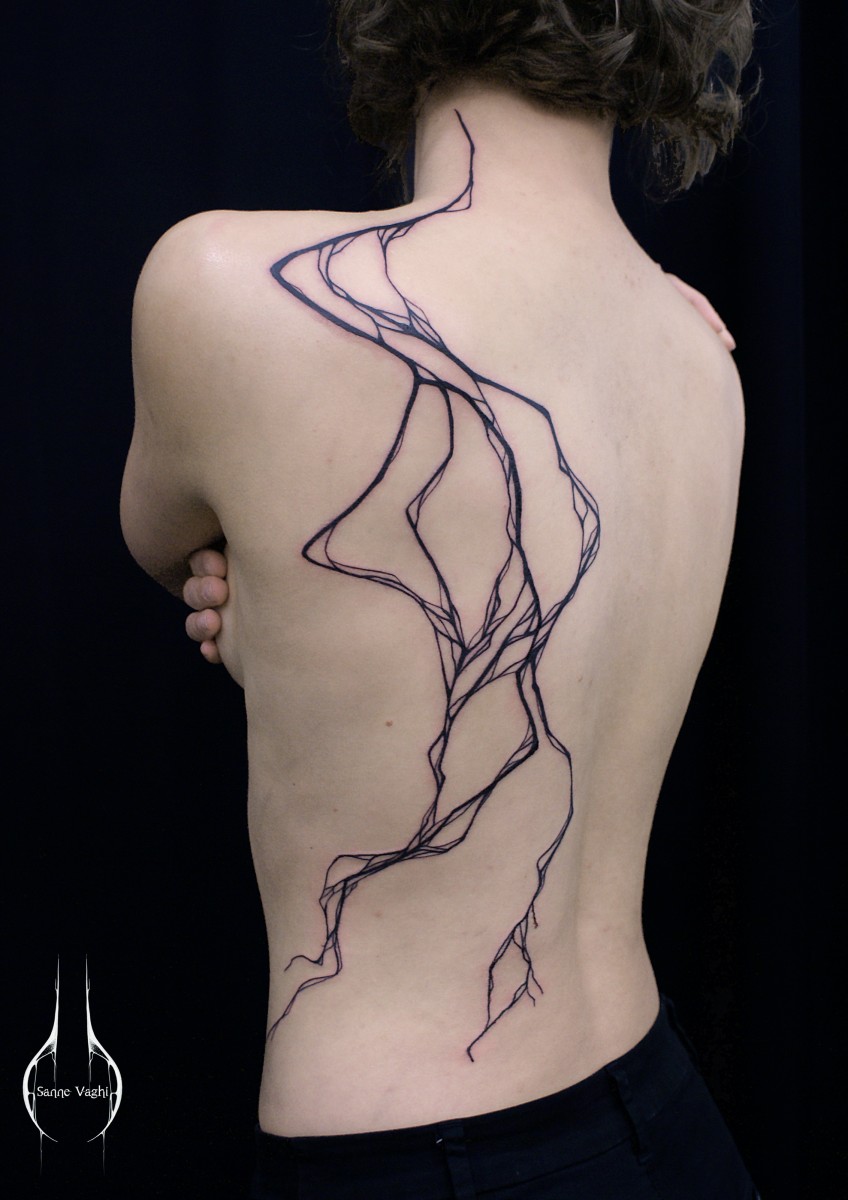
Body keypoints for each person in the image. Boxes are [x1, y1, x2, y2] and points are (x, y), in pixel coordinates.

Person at [121, 2, 759, 1195]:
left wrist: (266, 612)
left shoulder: (222, 285)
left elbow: (164, 540)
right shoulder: (698, 355)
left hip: (423, 1152)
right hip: (668, 1116)